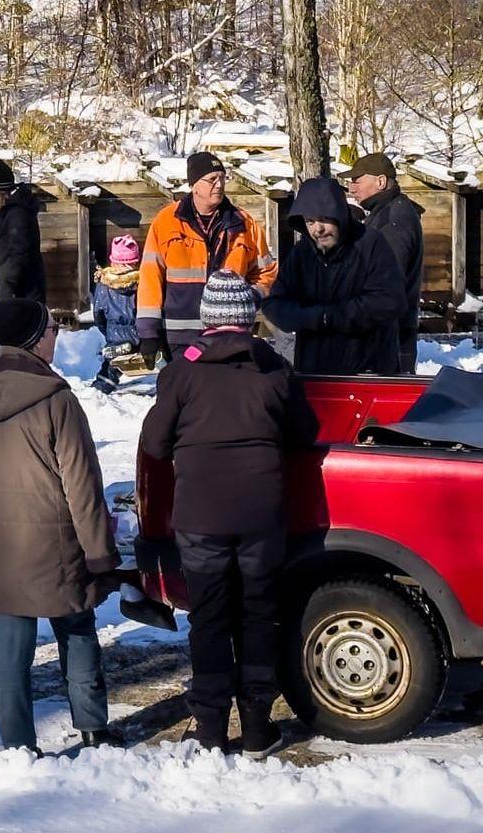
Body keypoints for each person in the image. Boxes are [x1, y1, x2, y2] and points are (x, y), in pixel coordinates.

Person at [140, 270, 319, 756]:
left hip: (201, 517)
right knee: (260, 615)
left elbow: (155, 443)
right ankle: (260, 729)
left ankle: (212, 729)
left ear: (207, 321)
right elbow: (306, 434)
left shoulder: (183, 371)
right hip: (262, 514)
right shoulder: (274, 369)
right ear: (247, 321)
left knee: (211, 619)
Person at [0, 298, 123, 754]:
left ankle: (18, 746)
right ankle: (92, 728)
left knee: (9, 657)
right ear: (34, 339)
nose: (56, 336)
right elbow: (82, 486)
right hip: (57, 545)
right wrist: (100, 555)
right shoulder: (58, 400)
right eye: (51, 329)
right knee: (77, 632)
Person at [137, 152, 277, 364]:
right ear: (194, 185)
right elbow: (150, 278)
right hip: (180, 337)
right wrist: (149, 332)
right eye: (212, 179)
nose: (219, 185)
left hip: (230, 336)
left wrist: (248, 297)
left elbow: (266, 272)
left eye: (222, 178)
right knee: (185, 394)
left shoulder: (244, 223)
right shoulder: (166, 222)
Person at [263, 177, 406, 376]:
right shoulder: (302, 253)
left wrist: (333, 316)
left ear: (339, 215)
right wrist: (308, 317)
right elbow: (275, 303)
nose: (317, 229)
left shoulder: (371, 245)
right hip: (315, 372)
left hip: (367, 368)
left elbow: (389, 301)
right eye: (310, 222)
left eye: (324, 219)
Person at [341, 153, 425, 373]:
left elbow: (385, 285)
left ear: (380, 181)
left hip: (387, 341)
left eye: (356, 181)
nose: (351, 188)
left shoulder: (392, 221)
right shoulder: (385, 214)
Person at [0, 160, 45, 303]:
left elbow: (18, 251)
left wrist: (7, 282)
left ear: (0, 192)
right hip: (25, 284)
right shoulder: (14, 210)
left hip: (21, 288)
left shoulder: (17, 214)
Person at [92, 234, 142, 391]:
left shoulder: (103, 285)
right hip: (139, 333)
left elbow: (98, 314)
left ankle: (104, 382)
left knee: (111, 362)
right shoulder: (142, 283)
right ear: (136, 262)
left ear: (112, 260)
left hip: (115, 334)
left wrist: (106, 331)